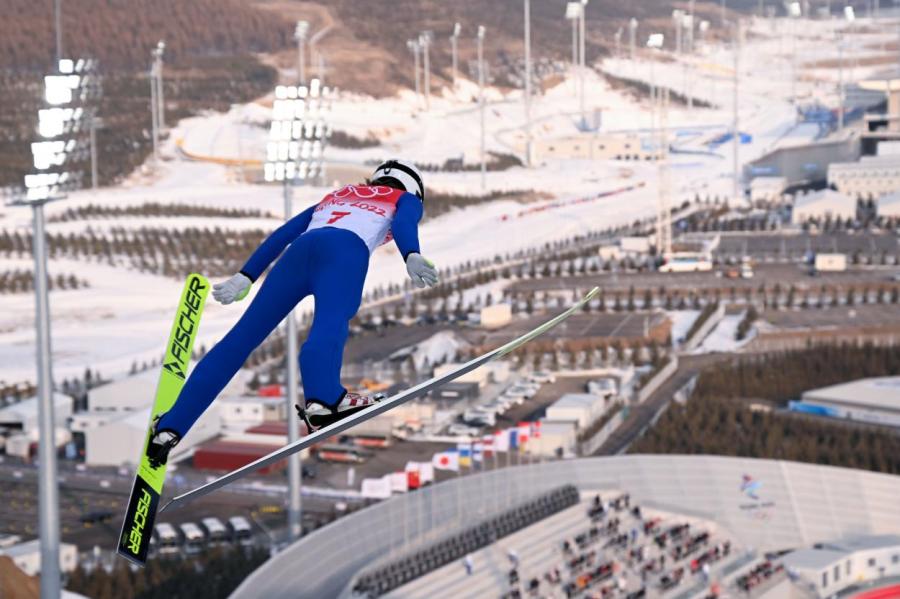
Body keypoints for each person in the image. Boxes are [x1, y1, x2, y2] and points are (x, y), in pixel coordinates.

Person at [145, 160, 438, 467]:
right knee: (331, 322)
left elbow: (284, 233)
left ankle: (169, 428)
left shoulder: (336, 195)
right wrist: (411, 254)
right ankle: (323, 398)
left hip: (299, 252)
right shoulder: (405, 200)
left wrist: (246, 275)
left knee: (239, 340)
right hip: (344, 252)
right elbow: (404, 224)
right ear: (415, 191)